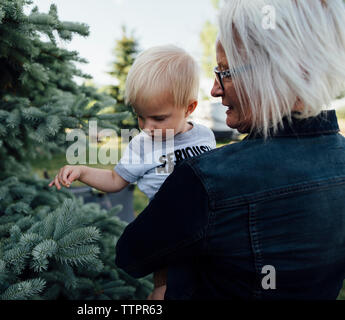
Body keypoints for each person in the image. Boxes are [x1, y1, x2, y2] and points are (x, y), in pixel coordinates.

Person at [115, 0, 345, 299]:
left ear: (278, 72)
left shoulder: (208, 180)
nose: (214, 89)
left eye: (226, 72)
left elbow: (131, 255)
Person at [49, 45, 216, 299]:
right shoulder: (142, 144)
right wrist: (82, 170)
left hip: (208, 231)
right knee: (164, 292)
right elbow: (116, 179)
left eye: (158, 118)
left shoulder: (204, 135)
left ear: (189, 108)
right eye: (140, 117)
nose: (147, 127)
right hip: (169, 234)